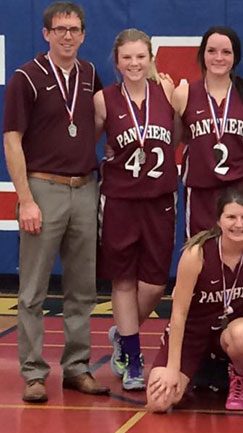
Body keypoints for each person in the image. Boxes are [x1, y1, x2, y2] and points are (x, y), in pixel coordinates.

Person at [2, 1, 109, 402]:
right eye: (60, 29)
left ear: (83, 34)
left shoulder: (89, 74)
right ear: (46, 33)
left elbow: (98, 121)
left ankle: (77, 368)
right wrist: (25, 199)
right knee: (32, 288)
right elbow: (12, 140)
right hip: (42, 188)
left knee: (82, 288)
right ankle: (32, 373)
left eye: (75, 29)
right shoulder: (26, 78)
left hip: (84, 186)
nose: (68, 36)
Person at [93, 29, 178, 391]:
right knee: (124, 279)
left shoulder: (169, 93)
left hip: (159, 199)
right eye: (126, 57)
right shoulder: (103, 99)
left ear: (151, 57)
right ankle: (132, 355)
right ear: (117, 61)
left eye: (140, 56)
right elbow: (88, 141)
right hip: (120, 201)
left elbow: (179, 137)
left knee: (156, 285)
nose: (134, 63)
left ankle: (121, 333)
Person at [147, 188, 243, 412]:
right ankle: (199, 370)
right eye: (231, 217)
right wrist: (173, 368)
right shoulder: (196, 254)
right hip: (193, 334)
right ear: (219, 221)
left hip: (229, 333)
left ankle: (239, 378)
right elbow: (178, 313)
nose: (238, 224)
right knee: (159, 402)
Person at [173, 26, 243, 238]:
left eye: (226, 52)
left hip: (239, 188)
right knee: (200, 254)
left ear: (235, 57)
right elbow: (171, 142)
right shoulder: (184, 94)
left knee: (242, 253)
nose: (218, 58)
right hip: (200, 191)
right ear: (202, 54)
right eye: (211, 51)